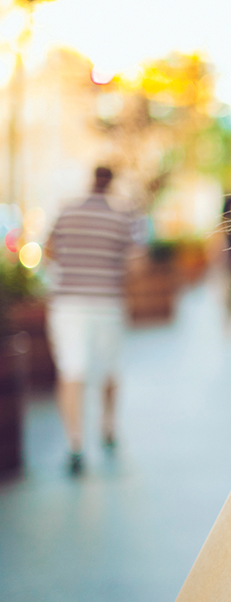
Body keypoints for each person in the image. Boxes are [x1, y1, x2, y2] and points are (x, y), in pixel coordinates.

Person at [45, 166, 133, 475]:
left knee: (72, 369)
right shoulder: (121, 217)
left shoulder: (66, 212)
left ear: (90, 180)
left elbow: (48, 251)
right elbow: (135, 262)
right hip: (107, 304)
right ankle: (107, 427)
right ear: (111, 184)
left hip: (67, 303)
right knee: (109, 369)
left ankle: (75, 443)